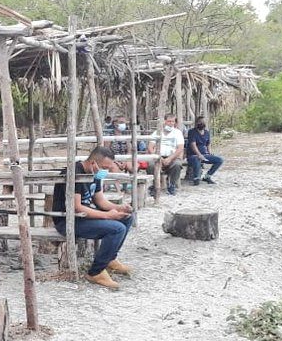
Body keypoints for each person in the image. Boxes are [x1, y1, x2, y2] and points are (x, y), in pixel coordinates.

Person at [52, 146, 134, 290]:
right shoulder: (74, 173)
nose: (105, 171)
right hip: (68, 220)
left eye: (108, 168)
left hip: (84, 217)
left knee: (126, 218)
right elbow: (77, 207)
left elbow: (100, 201)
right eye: (104, 168)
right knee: (117, 229)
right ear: (93, 163)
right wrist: (108, 215)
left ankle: (109, 259)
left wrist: (119, 208)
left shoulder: (95, 174)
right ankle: (95, 272)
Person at [148, 114, 184, 196]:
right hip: (158, 157)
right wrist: (159, 158)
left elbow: (180, 148)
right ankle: (154, 185)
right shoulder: (157, 132)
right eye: (169, 121)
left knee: (177, 164)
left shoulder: (178, 133)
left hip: (173, 157)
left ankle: (172, 185)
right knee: (151, 165)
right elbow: (150, 147)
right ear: (164, 121)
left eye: (173, 121)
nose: (171, 123)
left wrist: (170, 158)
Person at [185, 116, 223, 185]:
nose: (202, 123)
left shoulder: (207, 132)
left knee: (220, 160)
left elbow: (208, 144)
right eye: (200, 122)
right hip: (193, 155)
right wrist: (199, 155)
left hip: (204, 155)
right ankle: (196, 178)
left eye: (203, 122)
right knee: (197, 158)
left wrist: (209, 153)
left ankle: (207, 176)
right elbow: (193, 145)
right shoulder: (192, 132)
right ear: (196, 123)